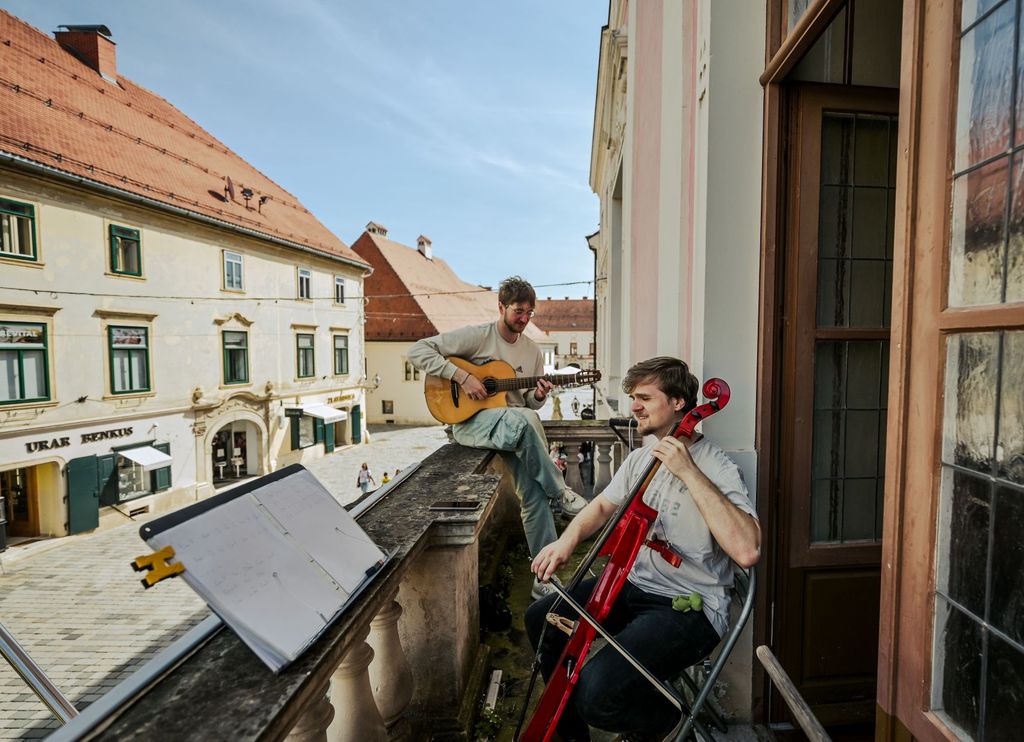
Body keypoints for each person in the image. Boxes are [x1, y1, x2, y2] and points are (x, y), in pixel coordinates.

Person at [526, 357, 761, 741]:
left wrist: (688, 471)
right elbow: (602, 505)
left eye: (644, 398)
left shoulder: (715, 466)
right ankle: (570, 737)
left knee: (598, 693)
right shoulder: (640, 459)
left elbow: (747, 550)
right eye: (633, 397)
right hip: (632, 586)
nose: (633, 406)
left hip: (688, 607)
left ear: (679, 404)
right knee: (542, 619)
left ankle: (669, 724)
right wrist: (566, 540)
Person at [408, 276, 587, 594]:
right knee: (526, 423)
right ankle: (561, 492)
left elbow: (528, 401)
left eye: (530, 312)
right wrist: (462, 376)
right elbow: (418, 351)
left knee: (533, 497)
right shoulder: (478, 337)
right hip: (472, 424)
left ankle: (543, 580)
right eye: (518, 310)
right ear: (501, 306)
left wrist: (541, 394)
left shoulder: (532, 351)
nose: (524, 318)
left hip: (512, 428)